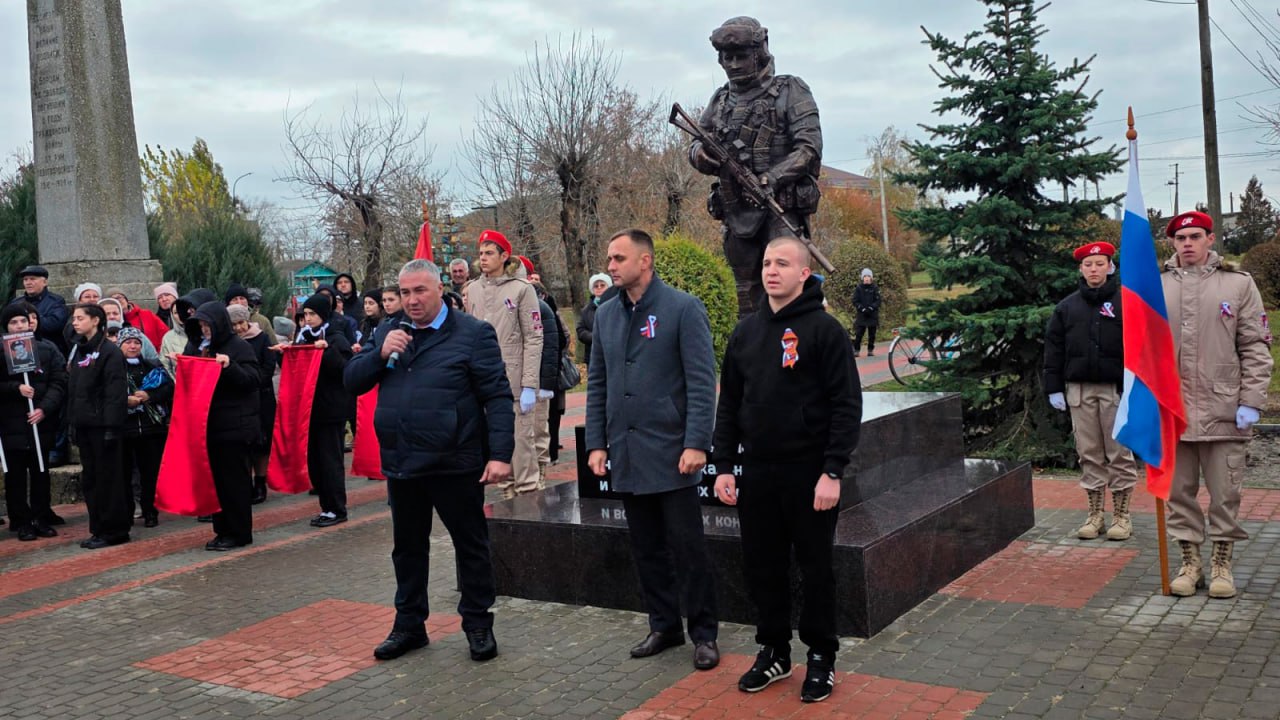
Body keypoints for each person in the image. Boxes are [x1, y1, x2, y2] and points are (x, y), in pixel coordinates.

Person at [712, 237, 860, 703]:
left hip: (809, 474)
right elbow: (730, 405)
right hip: (758, 472)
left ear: (803, 273)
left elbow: (845, 405)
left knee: (816, 569)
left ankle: (821, 657)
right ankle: (774, 650)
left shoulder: (824, 331)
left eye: (782, 263)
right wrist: (723, 466)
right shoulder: (746, 333)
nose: (771, 270)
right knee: (763, 567)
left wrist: (832, 471)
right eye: (766, 263)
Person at [345, 258, 514, 663]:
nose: (412, 300)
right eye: (404, 293)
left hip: (455, 461)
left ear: (440, 289)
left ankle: (477, 624)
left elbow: (497, 396)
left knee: (469, 546)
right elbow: (352, 380)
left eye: (420, 291)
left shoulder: (473, 335)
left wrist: (501, 455)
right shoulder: (388, 331)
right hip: (403, 461)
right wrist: (378, 354)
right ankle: (409, 625)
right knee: (407, 548)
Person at [585, 228, 720, 670]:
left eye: (619, 257)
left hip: (673, 452)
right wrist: (596, 443)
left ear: (645, 261)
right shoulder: (605, 313)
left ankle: (704, 633)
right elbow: (598, 383)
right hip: (625, 451)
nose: (611, 265)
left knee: (688, 548)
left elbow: (702, 382)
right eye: (609, 258)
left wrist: (697, 442)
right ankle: (664, 625)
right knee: (646, 548)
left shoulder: (682, 308)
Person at [1160, 211, 1273, 598]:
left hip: (1224, 408)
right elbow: (1141, 349)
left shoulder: (1238, 283)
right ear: (1172, 244)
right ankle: (1190, 564)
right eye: (1180, 238)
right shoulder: (1157, 286)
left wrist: (1252, 402)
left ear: (1210, 239)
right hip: (1172, 412)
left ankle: (1222, 564)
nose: (1187, 243)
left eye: (1195, 236)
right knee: (1179, 494)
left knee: (1225, 493)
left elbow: (1256, 347)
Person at [687, 17, 823, 316]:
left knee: (787, 289)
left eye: (741, 57)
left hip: (779, 209)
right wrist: (701, 157)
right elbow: (698, 141)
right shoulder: (721, 99)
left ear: (759, 53)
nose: (733, 65)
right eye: (727, 58)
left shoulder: (791, 89)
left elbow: (809, 149)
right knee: (746, 297)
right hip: (736, 212)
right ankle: (752, 353)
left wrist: (772, 177)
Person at [1043, 242, 1139, 541]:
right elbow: (1054, 350)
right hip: (1080, 391)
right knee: (1089, 453)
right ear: (1080, 269)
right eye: (1088, 265)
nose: (1094, 269)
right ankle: (1095, 514)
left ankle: (1122, 516)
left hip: (1116, 390)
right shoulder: (1067, 307)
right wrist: (1053, 387)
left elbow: (1140, 347)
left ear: (1110, 267)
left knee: (1118, 453)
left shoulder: (1127, 303)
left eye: (1100, 263)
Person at [462, 230, 544, 499]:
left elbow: (533, 336)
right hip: (482, 379)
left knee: (521, 445)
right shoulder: (472, 289)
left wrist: (530, 383)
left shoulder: (522, 289)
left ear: (504, 256)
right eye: (481, 253)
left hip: (514, 378)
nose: (483, 259)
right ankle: (508, 498)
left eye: (489, 253)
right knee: (496, 445)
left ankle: (530, 499)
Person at [183, 301, 261, 551]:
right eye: (202, 326)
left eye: (208, 325)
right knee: (217, 483)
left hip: (235, 427)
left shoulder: (239, 347)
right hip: (211, 425)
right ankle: (222, 530)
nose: (205, 330)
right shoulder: (201, 348)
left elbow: (252, 380)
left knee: (234, 483)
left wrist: (230, 367)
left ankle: (239, 532)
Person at [66, 303, 131, 548]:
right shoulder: (80, 350)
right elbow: (74, 391)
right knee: (91, 480)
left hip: (103, 427)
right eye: (74, 318)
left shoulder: (109, 352)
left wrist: (112, 427)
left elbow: (115, 394)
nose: (75, 322)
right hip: (84, 426)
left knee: (109, 479)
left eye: (80, 318)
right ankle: (98, 528)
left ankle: (114, 529)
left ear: (95, 321)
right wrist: (72, 423)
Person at [0, 303, 66, 541]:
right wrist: (15, 387)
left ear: (30, 323)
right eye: (13, 322)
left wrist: (43, 409)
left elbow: (59, 382)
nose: (19, 326)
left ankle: (40, 516)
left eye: (23, 321)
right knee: (15, 474)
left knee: (40, 470)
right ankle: (21, 520)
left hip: (39, 422)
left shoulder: (45, 349)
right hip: (10, 423)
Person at [294, 294, 353, 526]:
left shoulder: (336, 338)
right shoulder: (304, 337)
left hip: (332, 409)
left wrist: (326, 351)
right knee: (317, 460)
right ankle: (326, 506)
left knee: (331, 461)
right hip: (312, 409)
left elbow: (345, 368)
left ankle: (337, 508)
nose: (308, 319)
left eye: (312, 314)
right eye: (305, 315)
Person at [117, 327, 173, 528]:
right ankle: (127, 511)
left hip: (151, 429)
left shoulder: (152, 366)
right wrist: (126, 400)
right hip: (124, 429)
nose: (133, 346)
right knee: (124, 474)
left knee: (150, 473)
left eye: (137, 343)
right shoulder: (114, 368)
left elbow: (168, 388)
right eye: (128, 343)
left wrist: (150, 396)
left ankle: (150, 511)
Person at [229, 304, 275, 504]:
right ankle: (245, 481)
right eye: (234, 325)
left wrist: (253, 381)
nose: (239, 328)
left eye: (241, 323)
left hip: (261, 396)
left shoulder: (261, 338)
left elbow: (268, 366)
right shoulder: (229, 343)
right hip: (239, 398)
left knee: (261, 444)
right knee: (244, 445)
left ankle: (260, 482)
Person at [11, 265, 69, 353]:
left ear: (44, 282)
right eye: (25, 279)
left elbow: (55, 324)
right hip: (21, 350)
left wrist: (30, 320)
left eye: (32, 279)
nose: (28, 282)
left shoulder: (56, 301)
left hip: (48, 350)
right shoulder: (16, 302)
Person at [160, 289, 216, 377]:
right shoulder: (193, 341)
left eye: (192, 308)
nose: (189, 312)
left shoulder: (230, 342)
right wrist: (182, 362)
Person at [577, 273, 611, 368]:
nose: (599, 288)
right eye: (596, 286)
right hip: (593, 355)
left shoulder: (617, 306)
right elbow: (580, 330)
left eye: (602, 285)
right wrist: (594, 337)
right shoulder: (586, 310)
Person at [851, 268, 882, 356]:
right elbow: (855, 300)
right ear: (862, 278)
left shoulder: (875, 288)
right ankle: (856, 350)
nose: (867, 278)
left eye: (869, 276)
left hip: (872, 314)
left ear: (871, 278)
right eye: (865, 276)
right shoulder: (859, 288)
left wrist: (872, 307)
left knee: (872, 334)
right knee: (859, 334)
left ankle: (870, 350)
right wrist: (861, 308)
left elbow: (878, 300)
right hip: (862, 314)